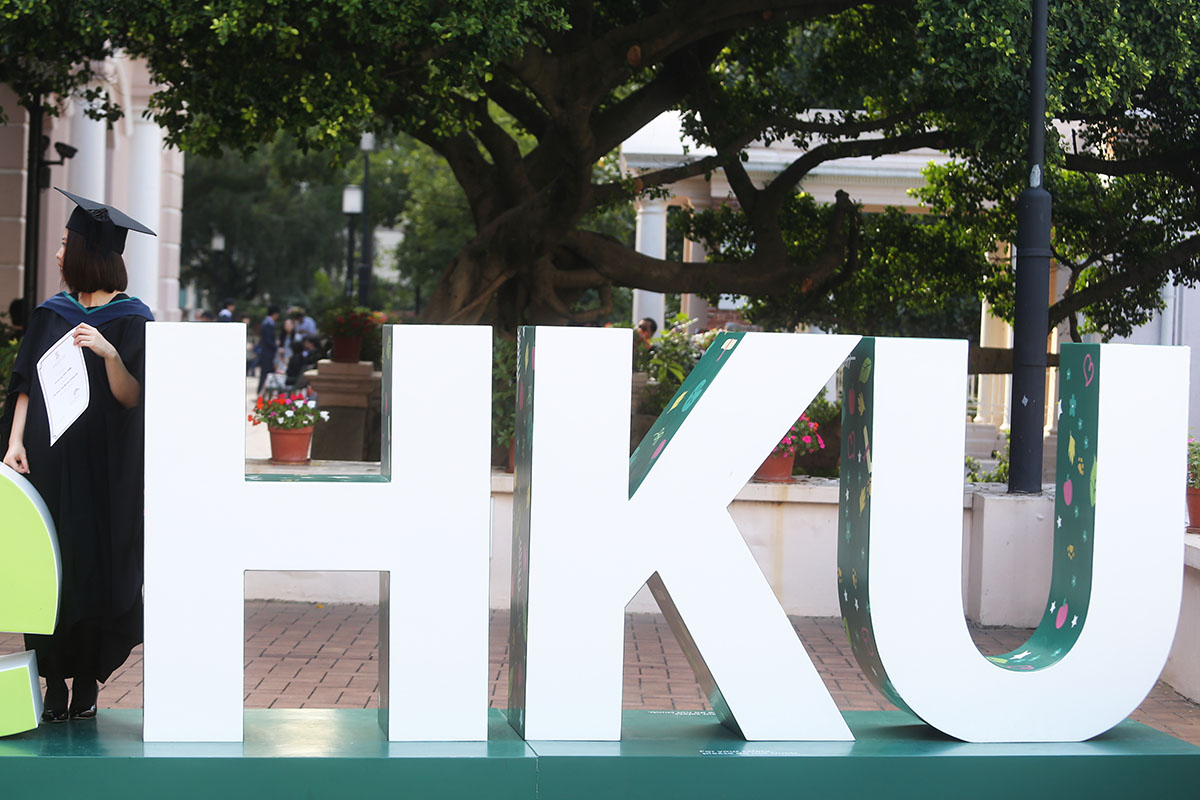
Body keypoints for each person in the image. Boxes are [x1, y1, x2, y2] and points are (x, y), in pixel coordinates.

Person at [1, 187, 156, 722]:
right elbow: (24, 384)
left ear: (91, 253)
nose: (60, 253)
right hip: (47, 457)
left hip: (104, 467)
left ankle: (87, 679)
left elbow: (134, 397)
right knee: (47, 566)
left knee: (95, 566)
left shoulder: (134, 320)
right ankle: (52, 682)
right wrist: (15, 442)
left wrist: (110, 353)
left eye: (67, 243)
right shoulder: (50, 314)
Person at [256, 304, 280, 394]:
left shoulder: (266, 323)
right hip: (267, 353)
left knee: (266, 374)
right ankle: (261, 393)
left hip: (266, 353)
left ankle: (263, 392)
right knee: (265, 374)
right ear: (275, 314)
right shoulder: (267, 324)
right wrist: (276, 347)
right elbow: (268, 340)